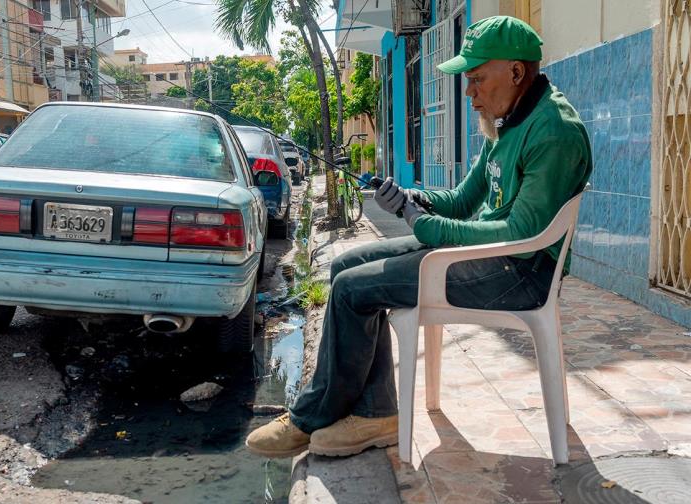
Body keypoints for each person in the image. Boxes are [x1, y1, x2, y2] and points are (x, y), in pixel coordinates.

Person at [245, 15, 593, 459]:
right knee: (343, 266)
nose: (469, 92)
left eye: (477, 79)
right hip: (495, 257)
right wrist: (413, 197)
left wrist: (423, 223)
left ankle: (315, 415)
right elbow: (465, 199)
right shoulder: (507, 119)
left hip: (521, 272)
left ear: (517, 72)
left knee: (354, 289)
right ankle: (375, 411)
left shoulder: (553, 130)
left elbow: (522, 233)